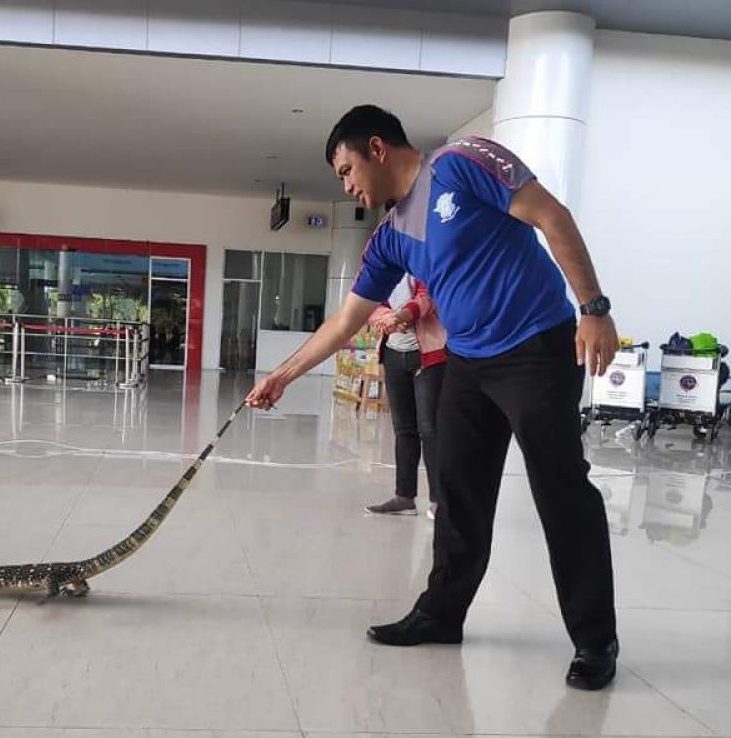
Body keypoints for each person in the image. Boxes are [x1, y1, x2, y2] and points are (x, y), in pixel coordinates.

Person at [245, 105, 621, 691]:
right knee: (457, 491)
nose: (345, 185)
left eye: (345, 170)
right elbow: (347, 320)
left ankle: (596, 641)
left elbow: (552, 214)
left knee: (561, 489)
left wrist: (593, 309)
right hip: (469, 360)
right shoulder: (390, 236)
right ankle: (442, 614)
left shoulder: (460, 163)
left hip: (537, 347)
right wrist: (282, 375)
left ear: (375, 148)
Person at [364, 274, 446, 519]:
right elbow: (368, 302)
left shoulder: (423, 260)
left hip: (428, 356)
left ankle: (439, 501)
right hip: (393, 354)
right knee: (403, 430)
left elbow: (429, 298)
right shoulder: (384, 265)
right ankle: (404, 497)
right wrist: (387, 318)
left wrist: (403, 316)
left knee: (430, 429)